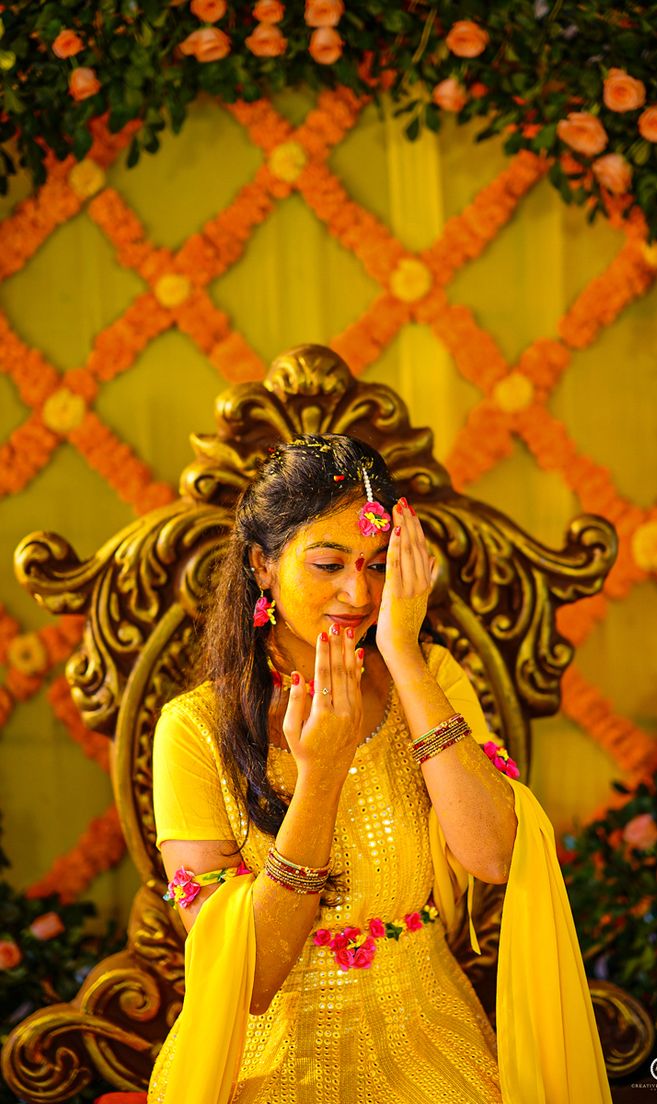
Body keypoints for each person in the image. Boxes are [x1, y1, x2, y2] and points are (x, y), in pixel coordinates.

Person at [148, 434, 611, 1104]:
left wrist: (404, 654)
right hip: (268, 1053)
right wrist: (322, 773)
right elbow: (248, 981)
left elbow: (491, 856)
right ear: (262, 564)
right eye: (330, 564)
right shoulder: (193, 730)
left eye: (376, 565)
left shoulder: (430, 681)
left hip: (429, 1034)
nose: (357, 593)